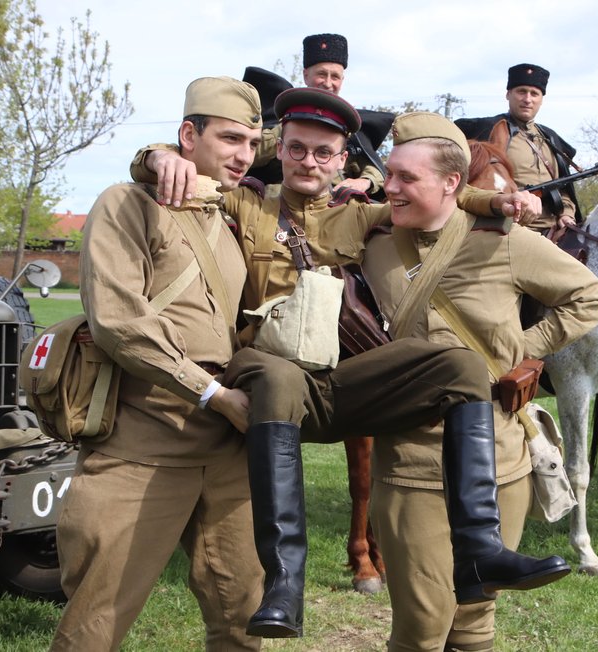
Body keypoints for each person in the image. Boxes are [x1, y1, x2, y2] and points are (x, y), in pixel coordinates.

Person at [133, 88, 571, 640]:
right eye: (297, 149)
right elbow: (176, 170)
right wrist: (156, 155)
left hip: (339, 381)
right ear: (280, 148)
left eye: (323, 153)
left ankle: (480, 548)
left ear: (342, 160)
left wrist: (500, 203)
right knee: (275, 371)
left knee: (458, 364)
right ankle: (286, 580)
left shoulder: (362, 216)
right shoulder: (245, 202)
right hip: (268, 375)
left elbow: (446, 198)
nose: (308, 162)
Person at [360, 111, 598, 651]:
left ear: (452, 183)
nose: (390, 187)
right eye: (389, 174)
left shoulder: (503, 240)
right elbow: (293, 207)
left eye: (406, 177)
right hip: (412, 461)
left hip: (500, 457)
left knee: (475, 618)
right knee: (423, 624)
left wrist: (526, 350)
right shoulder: (372, 238)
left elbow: (588, 295)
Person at [50, 77, 265, 651]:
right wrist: (213, 394)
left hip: (225, 449)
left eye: (251, 142)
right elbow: (119, 324)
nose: (243, 155)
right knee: (94, 625)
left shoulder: (231, 216)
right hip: (141, 445)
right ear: (188, 135)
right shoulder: (126, 204)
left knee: (242, 616)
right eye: (229, 138)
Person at [242, 33, 390, 199]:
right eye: (321, 74)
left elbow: (375, 168)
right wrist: (288, 128)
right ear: (306, 75)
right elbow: (247, 154)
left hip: (335, 207)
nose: (327, 83)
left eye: (335, 76)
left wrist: (365, 181)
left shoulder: (349, 125)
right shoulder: (279, 117)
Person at [456, 63, 581, 233]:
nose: (527, 99)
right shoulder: (488, 131)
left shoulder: (551, 138)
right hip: (509, 229)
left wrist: (567, 214)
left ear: (541, 100)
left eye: (534, 94)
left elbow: (564, 189)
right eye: (521, 91)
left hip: (555, 230)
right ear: (508, 94)